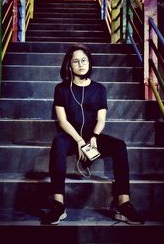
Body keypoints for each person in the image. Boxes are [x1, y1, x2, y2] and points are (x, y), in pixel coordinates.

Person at [41, 44, 144, 225]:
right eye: (75, 61)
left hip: (93, 135)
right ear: (69, 65)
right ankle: (58, 205)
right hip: (72, 137)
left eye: (84, 60)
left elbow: (101, 119)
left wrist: (94, 137)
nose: (81, 64)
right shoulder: (61, 89)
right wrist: (80, 141)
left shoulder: (99, 89)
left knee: (119, 145)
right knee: (58, 141)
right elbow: (62, 121)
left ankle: (123, 204)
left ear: (89, 63)